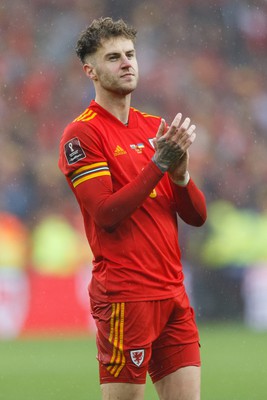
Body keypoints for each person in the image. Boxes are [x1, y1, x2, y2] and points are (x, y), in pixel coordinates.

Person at [58, 17, 207, 400]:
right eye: (113, 57)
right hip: (127, 297)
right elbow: (105, 214)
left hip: (173, 293)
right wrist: (158, 165)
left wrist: (181, 174)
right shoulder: (83, 133)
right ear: (90, 70)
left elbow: (196, 216)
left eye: (130, 54)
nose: (126, 63)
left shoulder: (154, 128)